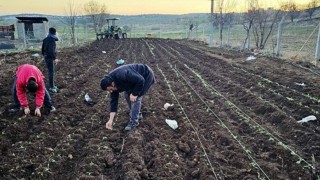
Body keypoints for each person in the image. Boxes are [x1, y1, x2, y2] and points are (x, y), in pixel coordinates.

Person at [100, 64, 155, 131]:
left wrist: (134, 94)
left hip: (146, 75)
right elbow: (113, 102)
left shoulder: (122, 74)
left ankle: (134, 122)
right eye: (109, 90)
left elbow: (141, 80)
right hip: (134, 81)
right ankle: (138, 114)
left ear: (113, 84)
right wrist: (110, 120)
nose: (111, 91)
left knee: (136, 98)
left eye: (111, 89)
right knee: (127, 94)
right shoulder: (111, 85)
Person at [41, 27, 60, 93]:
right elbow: (51, 50)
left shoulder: (45, 39)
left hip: (46, 57)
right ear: (54, 33)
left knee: (50, 71)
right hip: (50, 58)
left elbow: (42, 50)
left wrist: (45, 56)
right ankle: (52, 87)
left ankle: (52, 85)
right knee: (51, 72)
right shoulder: (52, 40)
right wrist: (55, 58)